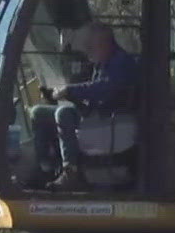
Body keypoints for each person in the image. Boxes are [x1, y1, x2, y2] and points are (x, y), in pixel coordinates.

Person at [29, 22, 139, 187]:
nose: (88, 50)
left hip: (111, 116)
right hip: (94, 112)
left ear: (105, 44)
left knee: (63, 114)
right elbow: (91, 92)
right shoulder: (102, 62)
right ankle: (46, 167)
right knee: (38, 112)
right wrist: (59, 93)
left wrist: (70, 90)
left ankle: (71, 171)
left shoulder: (121, 62)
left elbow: (104, 89)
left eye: (91, 46)